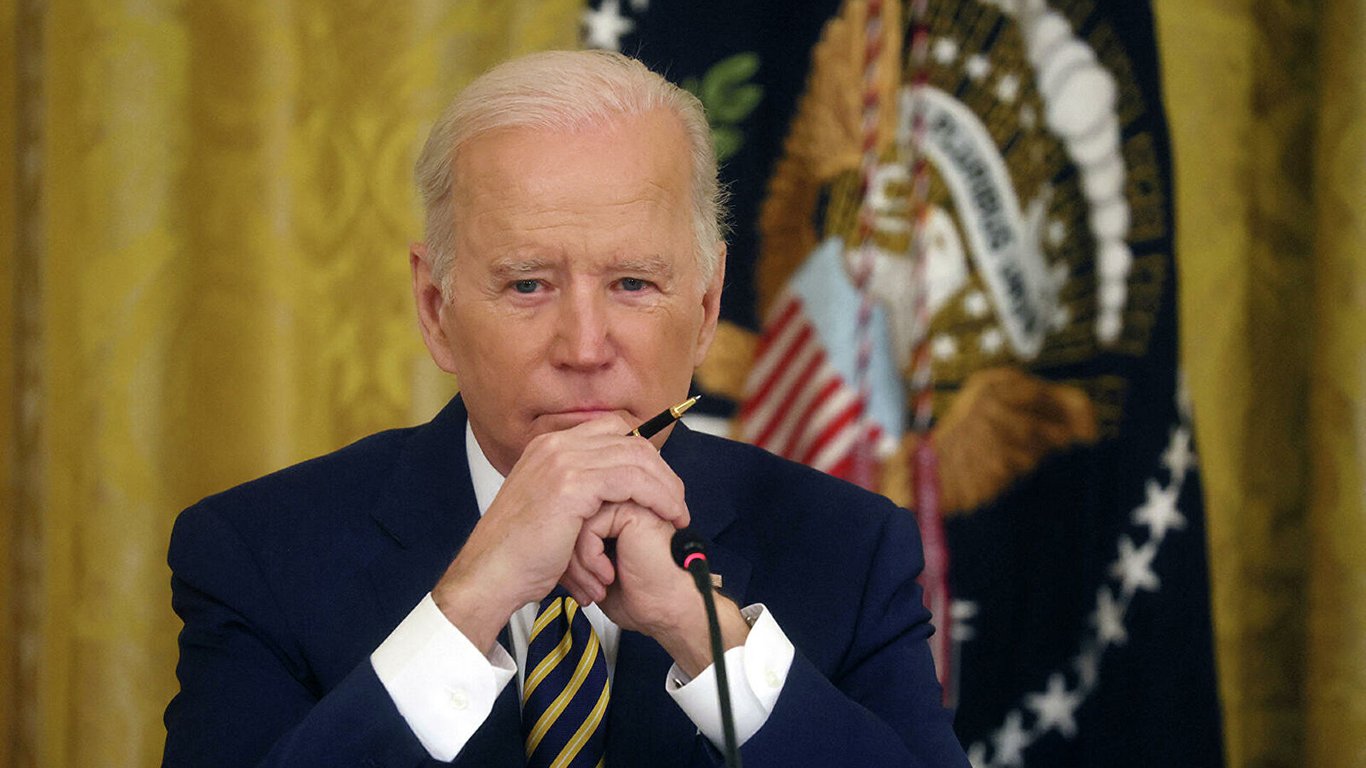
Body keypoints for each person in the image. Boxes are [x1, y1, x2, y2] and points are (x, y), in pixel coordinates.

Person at [162, 49, 969, 767]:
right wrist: (470, 602)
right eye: (527, 285)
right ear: (436, 309)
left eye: (633, 283)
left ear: (707, 305)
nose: (584, 347)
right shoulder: (255, 554)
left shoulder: (849, 551)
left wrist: (701, 630)